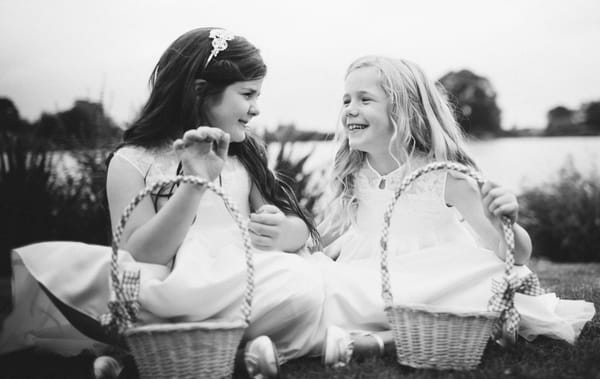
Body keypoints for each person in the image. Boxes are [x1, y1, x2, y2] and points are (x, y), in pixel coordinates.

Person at [0, 27, 326, 378]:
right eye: (247, 94)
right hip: (169, 281)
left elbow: (298, 230)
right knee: (127, 289)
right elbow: (139, 255)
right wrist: (194, 184)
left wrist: (282, 232)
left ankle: (179, 347)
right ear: (201, 92)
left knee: (299, 283)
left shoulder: (245, 154)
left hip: (242, 276)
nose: (256, 108)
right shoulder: (132, 160)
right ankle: (223, 344)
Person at [309, 55, 596, 367]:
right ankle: (376, 337)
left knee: (489, 287)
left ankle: (377, 341)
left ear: (404, 110)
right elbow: (321, 236)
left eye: (365, 99)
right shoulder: (352, 174)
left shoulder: (443, 175)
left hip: (437, 278)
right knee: (327, 285)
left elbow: (515, 255)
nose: (350, 109)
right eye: (347, 99)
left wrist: (506, 222)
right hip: (369, 276)